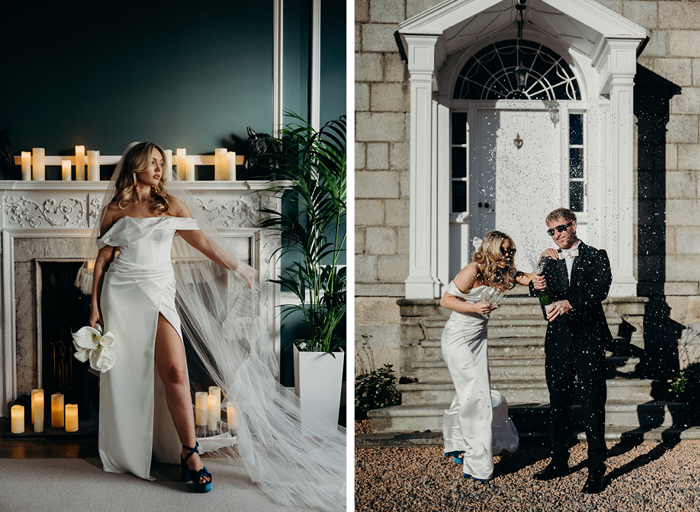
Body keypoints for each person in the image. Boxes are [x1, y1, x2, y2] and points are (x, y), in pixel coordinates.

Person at [85, 142, 345, 509]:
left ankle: (189, 453)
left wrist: (238, 268)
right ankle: (132, 448)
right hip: (121, 293)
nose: (160, 168)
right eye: (153, 162)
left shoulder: (170, 205)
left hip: (158, 289)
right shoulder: (115, 209)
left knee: (175, 372)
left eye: (162, 162)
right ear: (136, 166)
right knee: (129, 374)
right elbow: (103, 258)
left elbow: (203, 242)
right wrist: (94, 306)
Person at [530, 208, 611, 494]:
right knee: (558, 402)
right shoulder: (548, 260)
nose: (557, 235)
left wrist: (569, 302)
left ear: (573, 225)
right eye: (551, 231)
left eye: (561, 229)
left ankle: (596, 467)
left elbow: (601, 289)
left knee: (592, 403)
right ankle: (559, 461)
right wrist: (536, 283)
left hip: (589, 338)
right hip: (558, 341)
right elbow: (538, 291)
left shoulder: (597, 255)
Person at [440, 231, 529, 482]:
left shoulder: (505, 270)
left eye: (511, 249)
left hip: (478, 339)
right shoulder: (473, 269)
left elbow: (531, 278)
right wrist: (474, 307)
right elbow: (445, 300)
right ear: (490, 249)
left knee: (467, 394)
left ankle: (458, 444)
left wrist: (547, 257)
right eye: (504, 250)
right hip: (458, 339)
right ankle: (477, 465)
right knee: (476, 398)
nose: (508, 254)